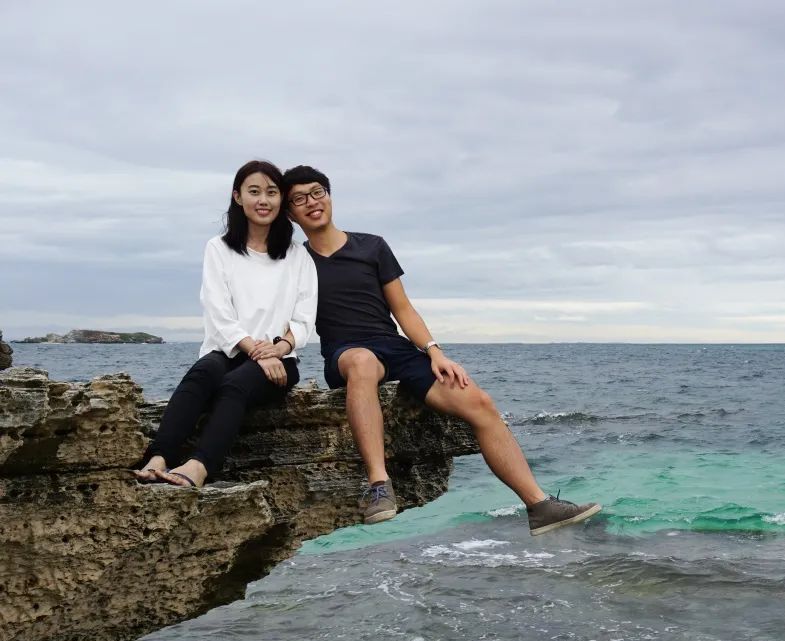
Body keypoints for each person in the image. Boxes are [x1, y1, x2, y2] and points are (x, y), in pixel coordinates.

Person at [280, 165, 600, 535]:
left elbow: (403, 309)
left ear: (330, 196)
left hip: (395, 348)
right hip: (346, 352)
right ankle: (379, 485)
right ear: (291, 213)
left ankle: (539, 505)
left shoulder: (372, 247)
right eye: (299, 199)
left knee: (480, 403)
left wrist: (434, 352)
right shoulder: (295, 263)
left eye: (317, 192)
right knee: (363, 363)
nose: (311, 202)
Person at [133, 160, 317, 488]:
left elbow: (304, 319)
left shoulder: (297, 256)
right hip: (231, 351)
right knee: (203, 372)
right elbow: (218, 312)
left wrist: (277, 350)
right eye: (254, 192)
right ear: (237, 197)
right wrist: (256, 351)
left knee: (236, 385)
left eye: (272, 192)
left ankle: (199, 467)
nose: (263, 200)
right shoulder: (218, 249)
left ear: (281, 198)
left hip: (281, 361)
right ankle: (159, 457)